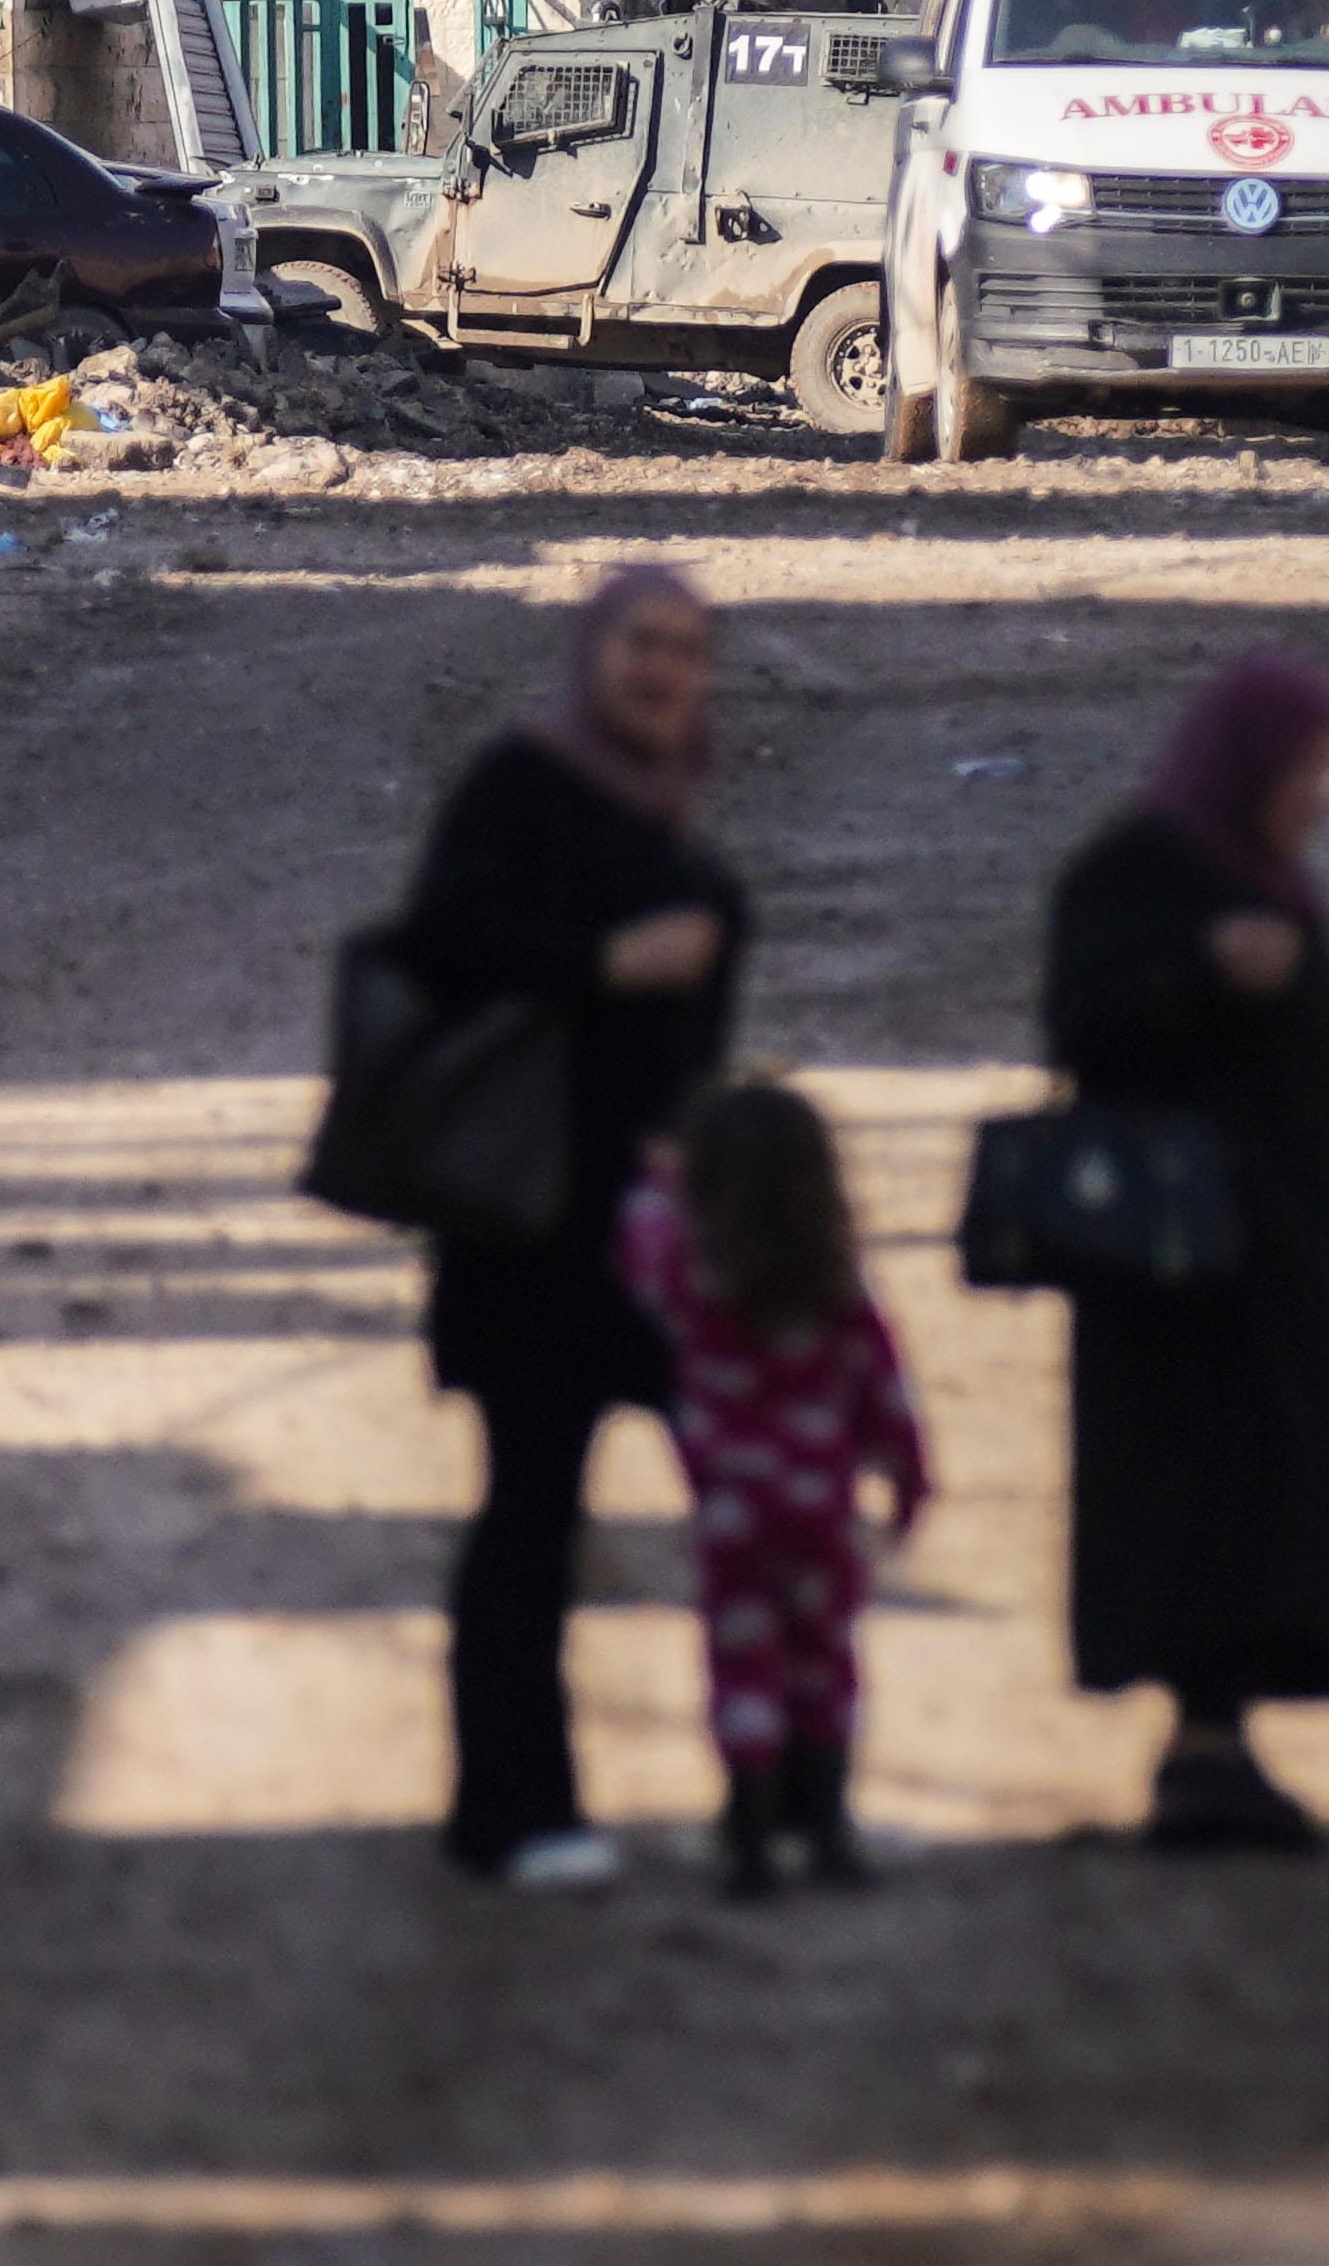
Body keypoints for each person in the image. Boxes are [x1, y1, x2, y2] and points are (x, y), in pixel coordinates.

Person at [1040, 653, 1329, 1852]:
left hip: (1291, 1265)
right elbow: (1084, 1030)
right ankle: (1201, 1750)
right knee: (1205, 1496)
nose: (1323, 792)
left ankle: (1225, 1743)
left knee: (1289, 1497)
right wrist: (1203, 975)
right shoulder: (1136, 873)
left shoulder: (1273, 888)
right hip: (1190, 1274)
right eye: (1308, 767)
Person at [399, 565, 748, 1886]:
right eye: (643, 644)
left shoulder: (671, 811)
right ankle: (510, 1807)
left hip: (660, 1242)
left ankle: (785, 1781)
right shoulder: (522, 786)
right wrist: (602, 963)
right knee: (531, 1519)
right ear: (594, 652)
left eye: (688, 649)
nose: (663, 671)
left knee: (763, 1493)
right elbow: (437, 946)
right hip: (529, 1231)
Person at [618, 1082, 930, 1900]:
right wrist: (906, 1473)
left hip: (733, 1509)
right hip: (822, 1504)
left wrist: (660, 1177)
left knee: (745, 1659)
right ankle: (826, 1825)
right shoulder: (833, 1281)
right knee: (824, 1660)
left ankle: (751, 1834)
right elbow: (882, 1385)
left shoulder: (688, 1264)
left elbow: (637, 1240)